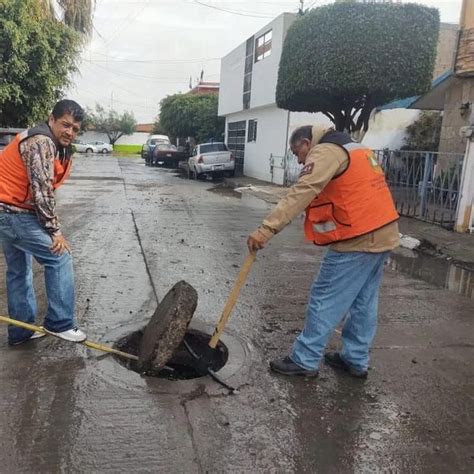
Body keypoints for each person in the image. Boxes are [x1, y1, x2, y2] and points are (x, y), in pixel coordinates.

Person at [247, 125, 399, 378]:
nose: (299, 159)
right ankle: (355, 359)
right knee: (363, 302)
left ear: (307, 143)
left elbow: (303, 191)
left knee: (324, 297)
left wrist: (267, 229)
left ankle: (305, 359)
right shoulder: (354, 147)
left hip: (358, 238)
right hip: (383, 231)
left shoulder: (326, 150)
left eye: (298, 152)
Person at [0, 99, 87, 345]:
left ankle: (21, 332)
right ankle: (60, 323)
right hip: (12, 213)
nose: (70, 132)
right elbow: (42, 191)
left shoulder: (48, 142)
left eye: (75, 128)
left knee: (19, 272)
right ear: (51, 119)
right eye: (65, 124)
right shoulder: (40, 141)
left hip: (9, 213)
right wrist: (54, 231)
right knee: (60, 257)